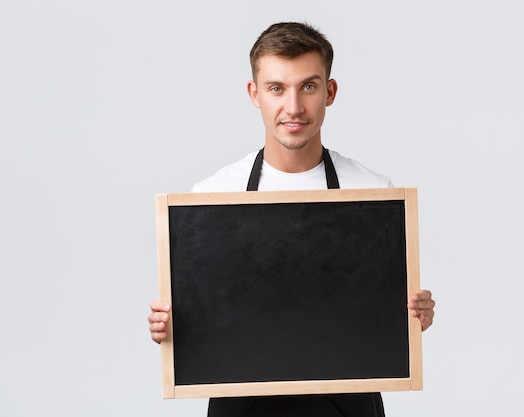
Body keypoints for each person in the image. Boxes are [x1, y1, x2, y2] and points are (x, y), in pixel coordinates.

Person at [148, 21, 436, 417]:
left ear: (329, 92)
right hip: (241, 402)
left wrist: (411, 318)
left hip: (347, 400)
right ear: (255, 94)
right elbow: (205, 322)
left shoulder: (375, 193)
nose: (294, 108)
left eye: (309, 87)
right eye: (276, 88)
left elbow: (385, 318)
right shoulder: (210, 198)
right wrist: (173, 328)